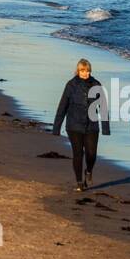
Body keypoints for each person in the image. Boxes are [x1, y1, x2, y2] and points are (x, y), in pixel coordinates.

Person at [50, 58, 110, 192]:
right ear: (78, 71)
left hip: (91, 126)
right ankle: (79, 182)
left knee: (91, 154)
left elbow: (103, 107)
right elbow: (62, 106)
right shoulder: (71, 85)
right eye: (83, 71)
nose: (85, 73)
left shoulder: (96, 84)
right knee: (78, 153)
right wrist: (56, 127)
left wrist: (105, 128)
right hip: (74, 125)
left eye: (88, 71)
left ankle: (88, 171)